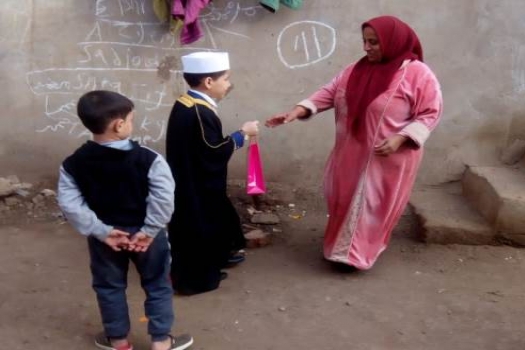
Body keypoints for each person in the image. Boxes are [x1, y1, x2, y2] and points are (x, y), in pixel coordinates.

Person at [266, 16, 443, 270]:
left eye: (374, 42)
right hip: (351, 152)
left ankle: (354, 256)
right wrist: (298, 110)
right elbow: (330, 91)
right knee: (345, 200)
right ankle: (340, 248)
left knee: (372, 206)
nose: (367, 48)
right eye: (365, 41)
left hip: (389, 157)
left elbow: (430, 112)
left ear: (392, 42)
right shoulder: (356, 69)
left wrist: (400, 138)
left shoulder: (417, 73)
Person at [57, 90, 193, 350]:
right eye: (131, 120)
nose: (131, 124)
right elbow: (163, 198)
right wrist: (150, 229)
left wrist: (102, 231)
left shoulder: (73, 163)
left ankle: (118, 341)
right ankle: (161, 341)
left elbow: (70, 204)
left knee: (109, 286)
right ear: (119, 125)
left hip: (105, 238)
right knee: (157, 283)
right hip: (147, 237)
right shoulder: (150, 159)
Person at [166, 51, 259, 295]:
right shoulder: (198, 112)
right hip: (196, 185)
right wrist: (243, 134)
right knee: (198, 226)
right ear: (209, 82)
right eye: (226, 79)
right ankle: (197, 279)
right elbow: (213, 150)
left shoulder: (189, 103)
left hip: (196, 179)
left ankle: (219, 257)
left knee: (219, 218)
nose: (228, 84)